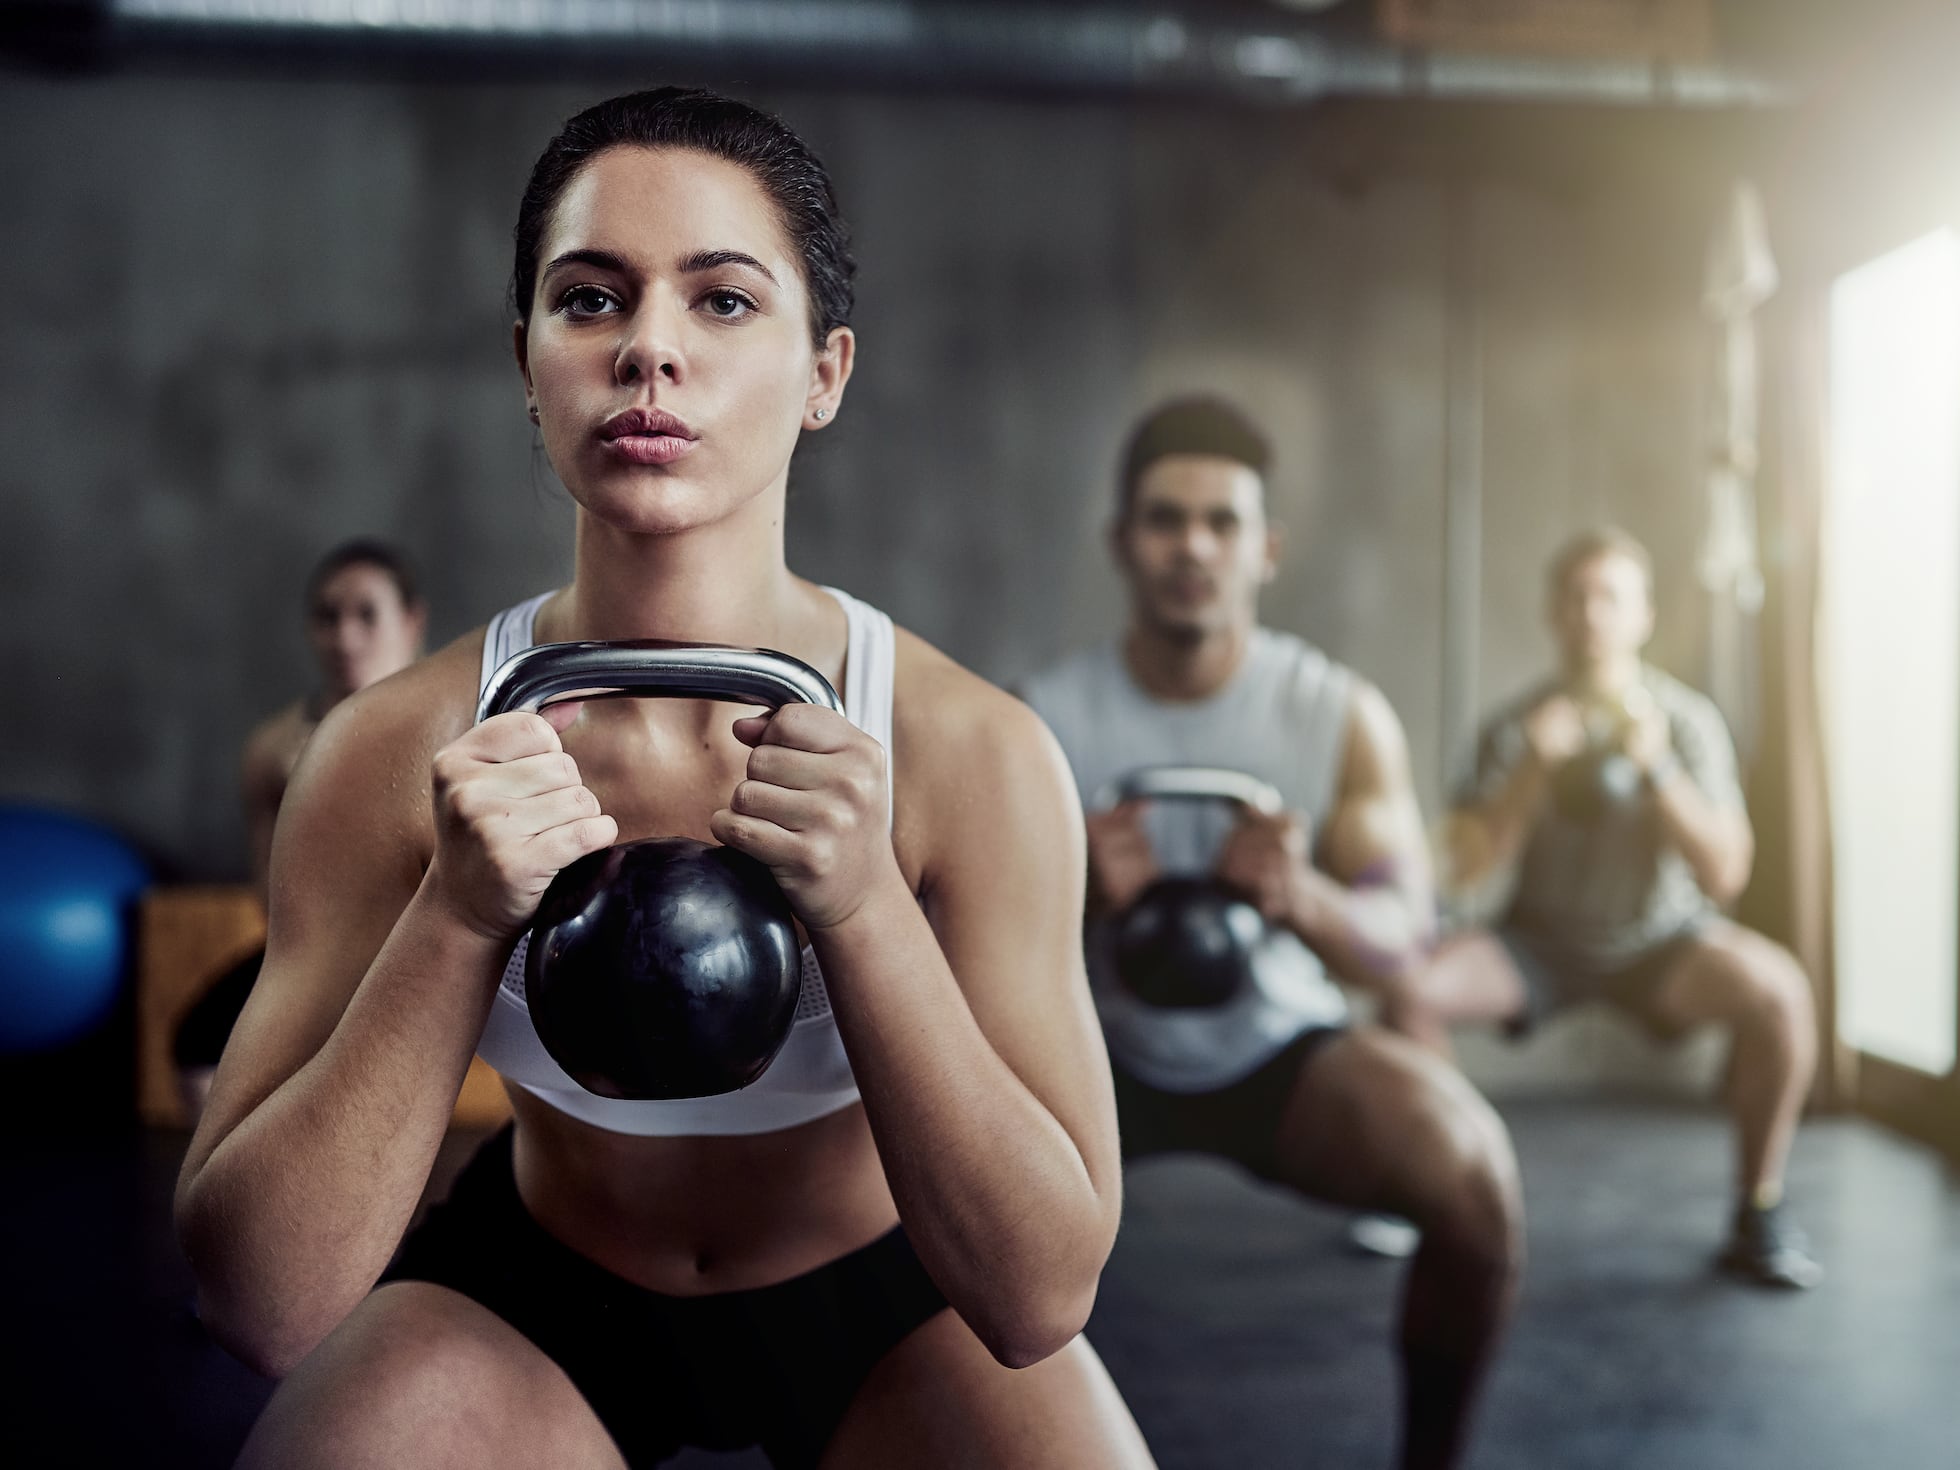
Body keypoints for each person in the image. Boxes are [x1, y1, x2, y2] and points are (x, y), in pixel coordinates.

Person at [175, 88, 1153, 1469]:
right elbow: (257, 1298)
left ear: (826, 372)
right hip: (543, 1291)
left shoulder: (970, 754)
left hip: (887, 1298)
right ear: (526, 360)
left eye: (723, 303)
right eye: (589, 299)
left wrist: (866, 906)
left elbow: (1042, 1292)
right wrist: (456, 915)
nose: (648, 348)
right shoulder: (394, 751)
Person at [1020, 399, 1522, 1470]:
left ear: (1266, 549)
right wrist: (1076, 897)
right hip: (1091, 1056)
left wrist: (1303, 897)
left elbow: (1403, 939)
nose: (1192, 548)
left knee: (1474, 1183)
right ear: (1122, 543)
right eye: (1164, 520)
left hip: (1272, 1050)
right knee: (899, 1212)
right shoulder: (1041, 719)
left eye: (1221, 523)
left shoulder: (1335, 714)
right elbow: (960, 944)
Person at [1389, 526, 1823, 1289]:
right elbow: (1463, 876)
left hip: (1662, 944)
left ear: (1642, 616)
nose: (1592, 614)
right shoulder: (1513, 728)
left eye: (1610, 598)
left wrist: (1656, 768)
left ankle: (1758, 1211)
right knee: (1407, 989)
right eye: (1577, 598)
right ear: (1554, 614)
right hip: (1540, 944)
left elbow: (1726, 872)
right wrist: (1530, 770)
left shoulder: (1684, 723)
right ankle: (1445, 1189)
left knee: (1780, 992)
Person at [171, 539, 426, 1120]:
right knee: (198, 1044)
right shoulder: (273, 746)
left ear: (411, 623)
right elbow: (267, 885)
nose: (346, 637)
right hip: (315, 947)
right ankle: (237, 1194)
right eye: (328, 616)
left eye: (367, 615)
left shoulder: (449, 722)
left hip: (428, 946)